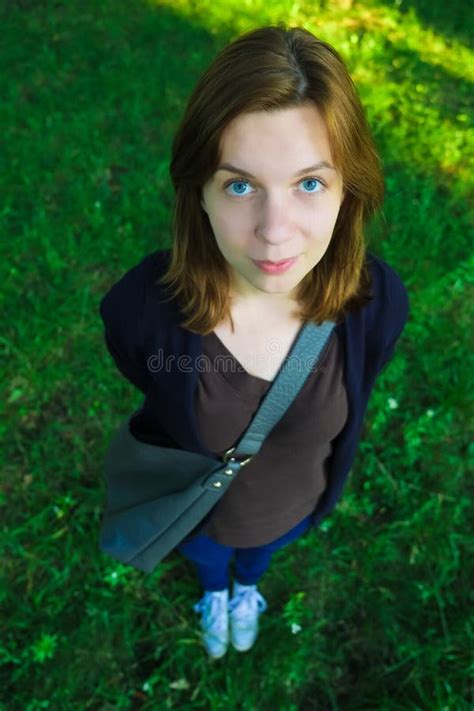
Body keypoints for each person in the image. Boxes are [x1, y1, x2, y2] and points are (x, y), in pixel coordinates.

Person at [98, 24, 409, 660]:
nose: (274, 233)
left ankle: (248, 588)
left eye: (309, 184)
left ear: (348, 189)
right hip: (198, 513)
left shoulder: (377, 305)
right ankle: (215, 591)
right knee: (211, 558)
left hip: (294, 507)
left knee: (260, 555)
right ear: (201, 195)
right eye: (240, 185)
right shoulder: (144, 310)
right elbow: (145, 376)